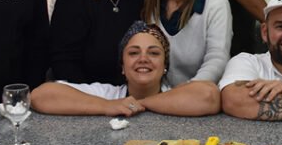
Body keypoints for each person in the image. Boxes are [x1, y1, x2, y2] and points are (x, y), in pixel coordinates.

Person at [32, 22, 220, 117]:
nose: (143, 59)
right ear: (122, 66)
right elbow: (40, 95)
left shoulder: (177, 96)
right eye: (133, 53)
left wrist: (144, 104)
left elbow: (209, 95)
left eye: (153, 53)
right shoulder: (108, 94)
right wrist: (107, 106)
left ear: (165, 66)